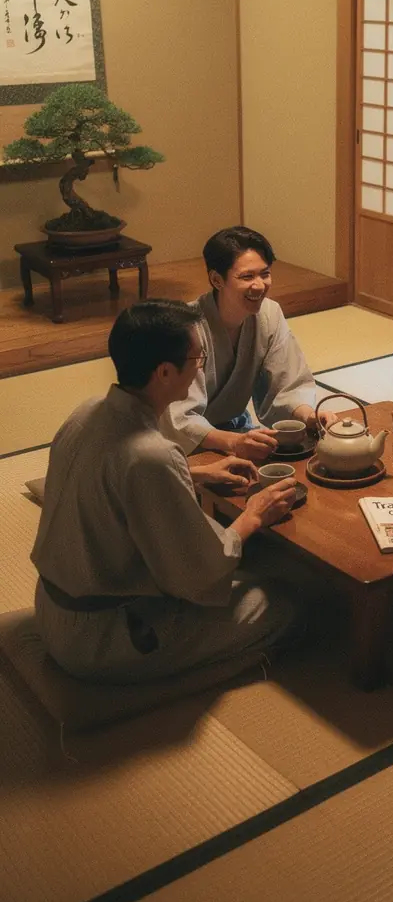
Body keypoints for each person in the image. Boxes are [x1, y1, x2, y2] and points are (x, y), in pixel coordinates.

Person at [32, 299, 303, 684]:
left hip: (52, 611)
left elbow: (110, 488)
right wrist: (253, 515)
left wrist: (196, 474)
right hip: (105, 636)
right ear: (163, 372)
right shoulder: (151, 455)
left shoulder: (87, 412)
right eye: (197, 359)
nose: (200, 368)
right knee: (282, 603)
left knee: (253, 577)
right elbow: (196, 571)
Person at [161, 226, 334, 462]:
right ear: (216, 280)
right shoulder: (187, 327)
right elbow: (178, 417)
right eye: (247, 277)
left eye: (265, 274)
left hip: (235, 431)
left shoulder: (269, 314)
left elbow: (287, 385)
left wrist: (308, 415)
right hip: (183, 444)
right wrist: (233, 442)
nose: (260, 285)